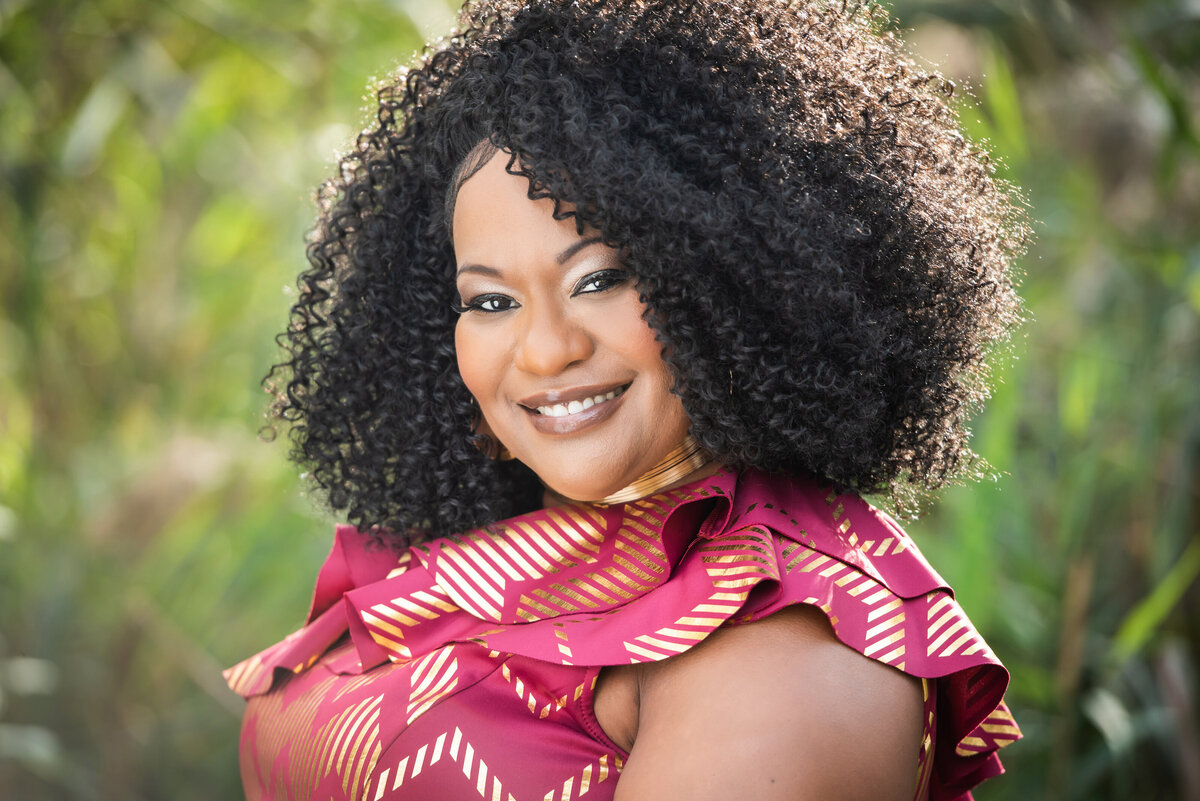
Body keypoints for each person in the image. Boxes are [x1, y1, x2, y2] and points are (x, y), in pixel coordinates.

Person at [224, 0, 1027, 799]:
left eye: (600, 280)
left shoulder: (783, 640)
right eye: (491, 301)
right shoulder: (514, 536)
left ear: (734, 283)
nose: (544, 350)